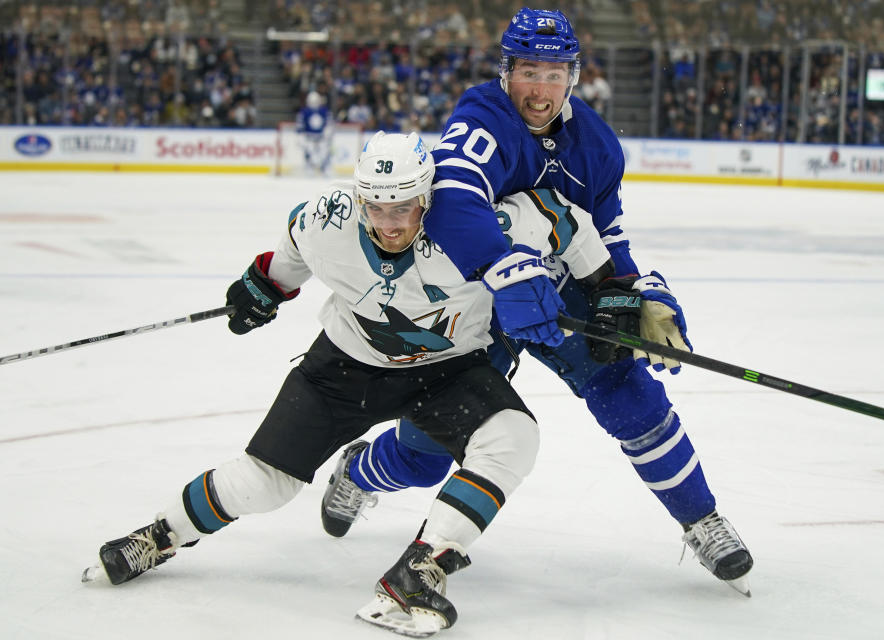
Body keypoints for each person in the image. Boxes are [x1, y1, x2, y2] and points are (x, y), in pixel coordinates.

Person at [81, 131, 616, 635]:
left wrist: (606, 289)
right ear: (360, 198)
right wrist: (260, 286)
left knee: (514, 437)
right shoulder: (325, 219)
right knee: (264, 485)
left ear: (427, 199)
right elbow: (286, 261)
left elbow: (561, 218)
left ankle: (420, 569)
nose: (389, 223)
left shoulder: (478, 222)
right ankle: (160, 535)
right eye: (377, 207)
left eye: (403, 208)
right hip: (344, 367)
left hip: (449, 370)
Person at [319, 7, 755, 596]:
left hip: (558, 289)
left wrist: (628, 291)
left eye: (555, 74)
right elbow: (452, 198)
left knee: (630, 395)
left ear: (573, 77)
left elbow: (608, 230)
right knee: (425, 452)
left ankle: (700, 519)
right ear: (507, 71)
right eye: (529, 71)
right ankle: (361, 470)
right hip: (477, 294)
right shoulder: (483, 116)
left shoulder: (596, 143)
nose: (541, 88)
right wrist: (506, 269)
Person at [296, 90, 333, 174]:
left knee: (325, 152)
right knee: (309, 152)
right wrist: (300, 136)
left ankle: (325, 167)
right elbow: (300, 126)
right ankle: (309, 166)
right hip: (309, 138)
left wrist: (328, 131)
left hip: (321, 137)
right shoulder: (304, 112)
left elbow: (329, 123)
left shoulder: (324, 111)